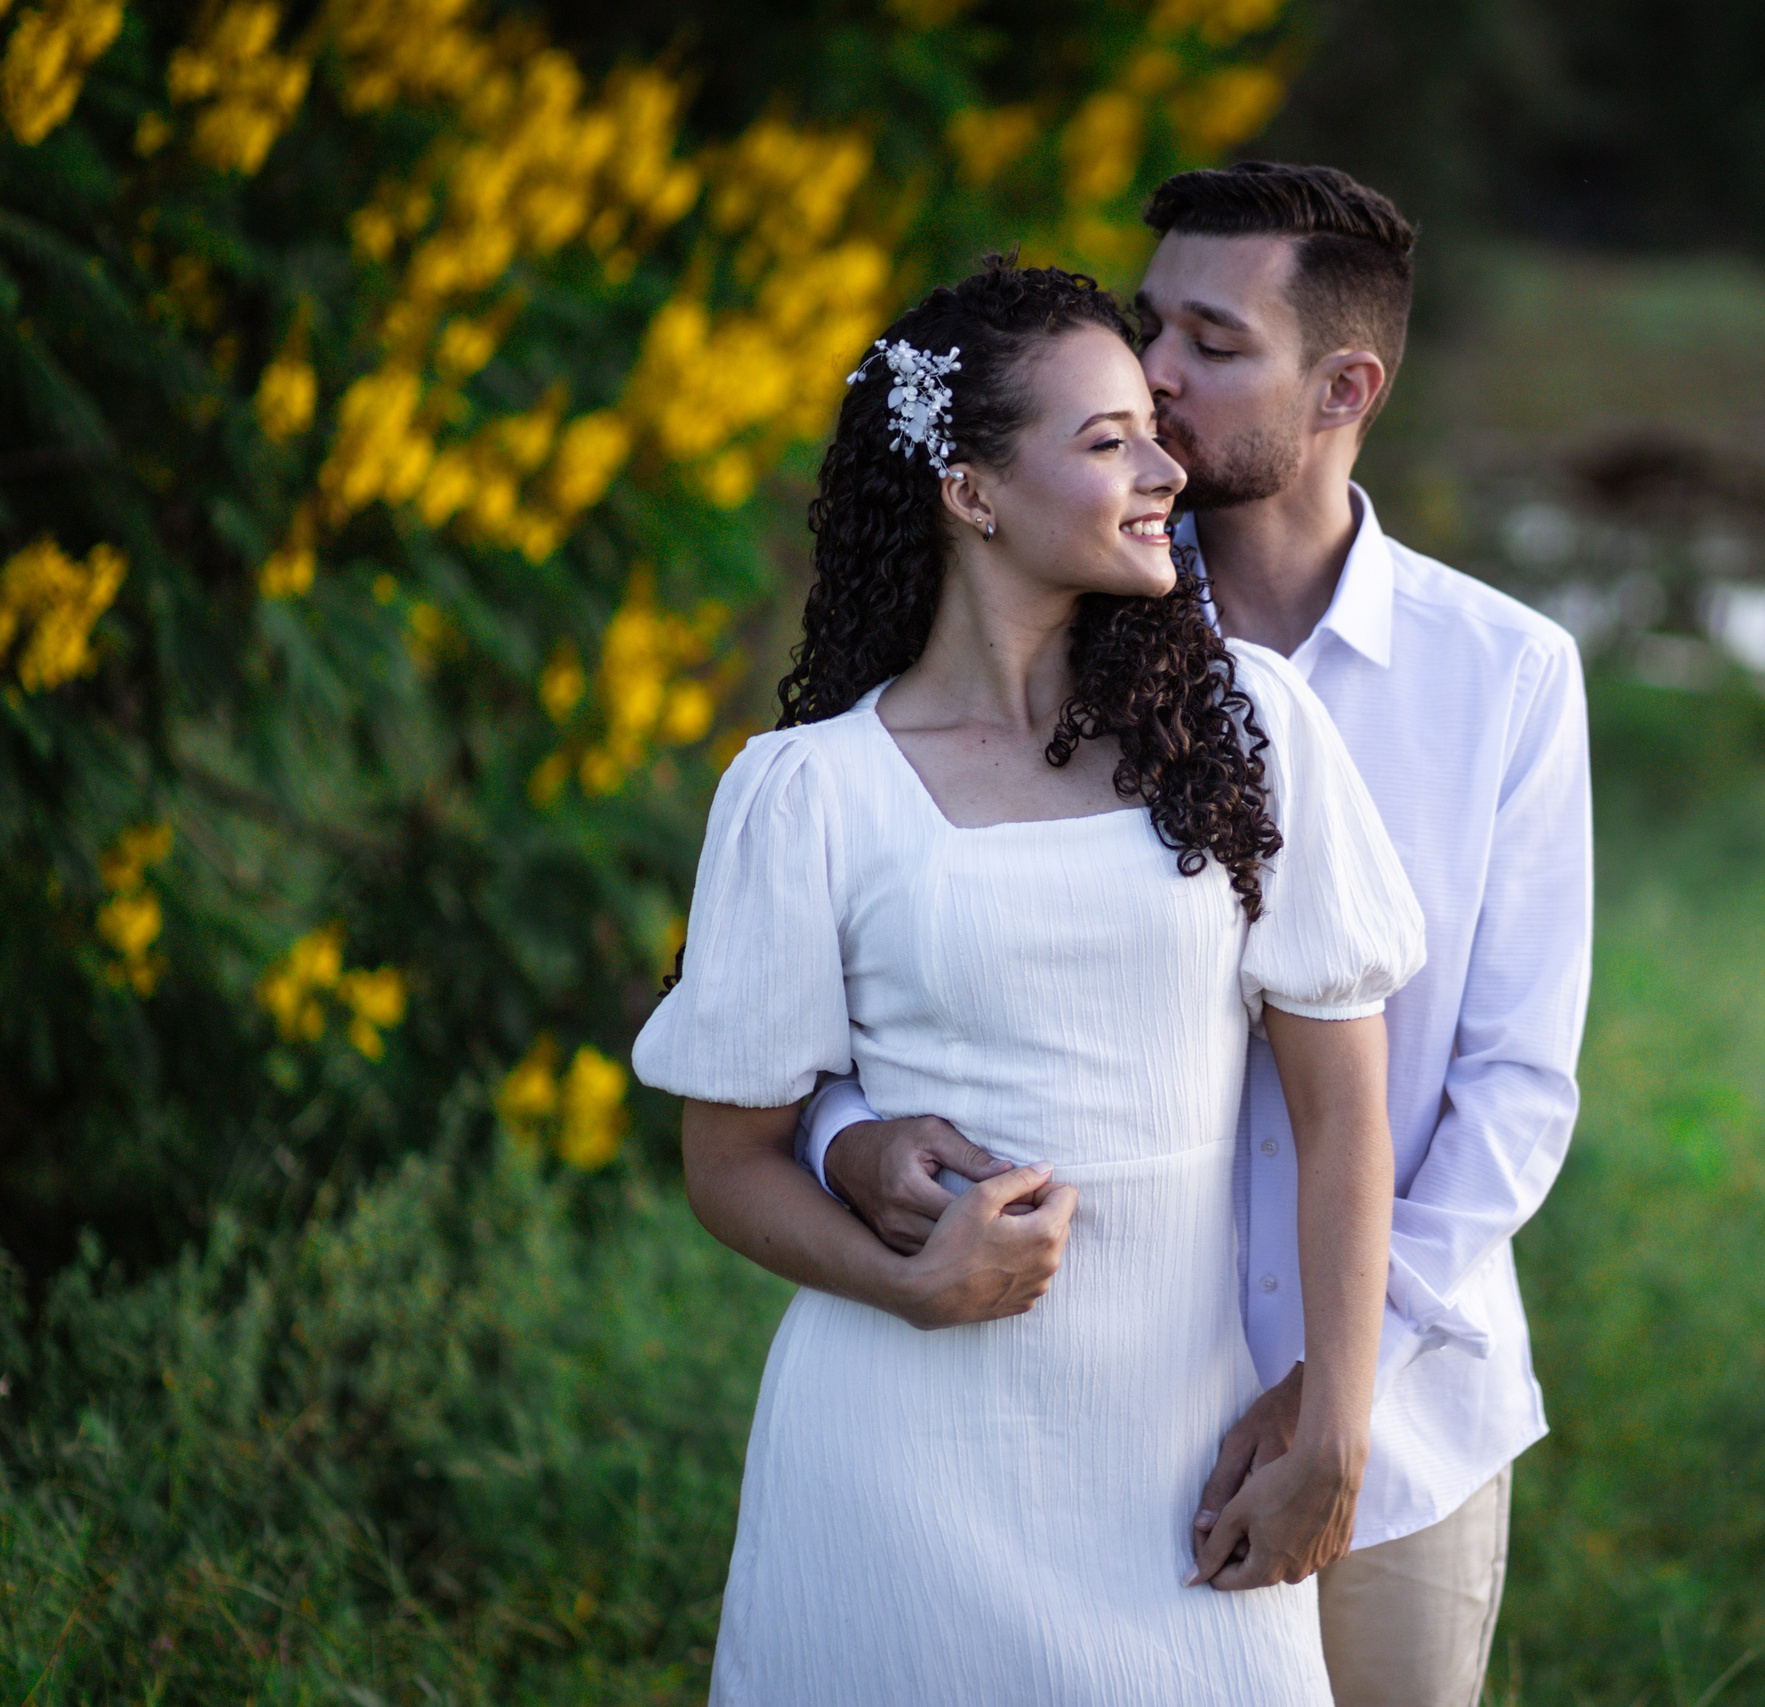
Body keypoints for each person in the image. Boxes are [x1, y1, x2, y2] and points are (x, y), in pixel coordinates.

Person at [800, 164, 1593, 1707]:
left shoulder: (1502, 673)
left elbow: (1514, 1085)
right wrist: (851, 1146)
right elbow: (865, 997)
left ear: (1346, 385)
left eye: (1213, 344)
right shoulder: (1041, 629)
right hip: (1068, 1399)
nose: (1153, 374)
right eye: (1148, 322)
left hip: (1400, 1421)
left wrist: (1335, 1389)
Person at [635, 258, 1426, 1705]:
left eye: (1154, 427)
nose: (1163, 466)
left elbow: (1344, 1116)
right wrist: (905, 1281)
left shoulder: (1246, 732)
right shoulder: (807, 791)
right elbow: (727, 1162)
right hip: (891, 1463)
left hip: (1174, 1468)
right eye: (1107, 437)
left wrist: (1335, 1425)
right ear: (971, 491)